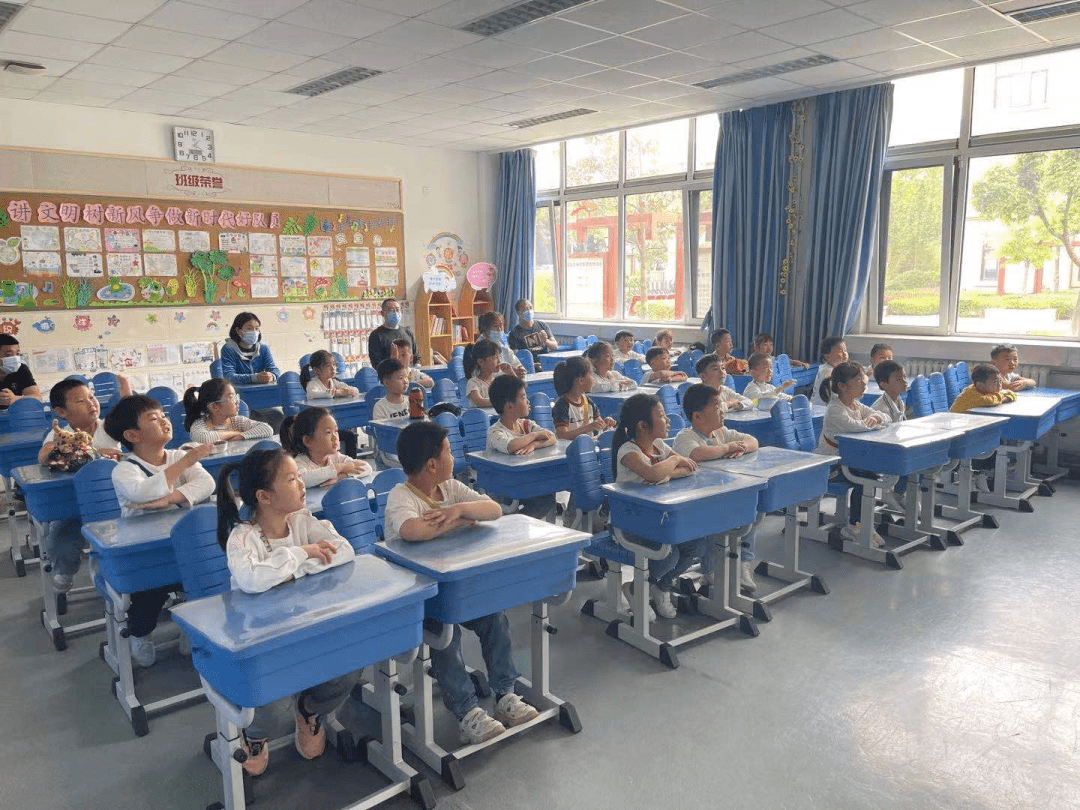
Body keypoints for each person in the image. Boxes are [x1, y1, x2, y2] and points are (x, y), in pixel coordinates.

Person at [385, 421, 540, 744]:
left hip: (456, 590)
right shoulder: (402, 497)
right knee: (446, 636)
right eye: (448, 452)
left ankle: (505, 693)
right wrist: (459, 522)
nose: (453, 458)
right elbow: (413, 531)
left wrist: (458, 512)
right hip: (420, 599)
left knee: (495, 619)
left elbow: (494, 510)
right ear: (432, 465)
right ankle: (467, 712)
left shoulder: (451, 489)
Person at [216, 447, 358, 776]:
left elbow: (345, 551)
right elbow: (252, 579)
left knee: (350, 664)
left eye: (299, 476)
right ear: (264, 496)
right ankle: (254, 734)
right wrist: (303, 554)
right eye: (292, 479)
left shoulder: (303, 521)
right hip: (263, 642)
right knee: (274, 714)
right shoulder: (242, 537)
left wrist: (297, 566)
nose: (302, 483)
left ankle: (309, 712)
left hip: (308, 629)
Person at [103, 394, 215, 667]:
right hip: (145, 551)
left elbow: (207, 484)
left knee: (202, 585)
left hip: (183, 542)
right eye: (153, 419)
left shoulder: (178, 456)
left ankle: (192, 629)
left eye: (163, 414)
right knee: (147, 598)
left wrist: (168, 499)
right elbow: (141, 493)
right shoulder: (124, 470)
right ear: (132, 435)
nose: (164, 420)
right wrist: (185, 464)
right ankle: (140, 635)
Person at [611, 393, 700, 619]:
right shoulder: (628, 452)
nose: (668, 419)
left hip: (659, 517)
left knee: (696, 543)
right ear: (643, 425)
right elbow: (652, 473)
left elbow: (689, 467)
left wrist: (666, 472)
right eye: (661, 415)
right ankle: (635, 588)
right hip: (630, 523)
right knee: (668, 555)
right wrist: (670, 463)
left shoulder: (658, 444)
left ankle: (661, 587)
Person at [37, 379, 124, 593]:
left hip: (117, 501)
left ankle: (125, 580)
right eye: (81, 401)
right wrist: (95, 451)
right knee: (63, 532)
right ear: (61, 411)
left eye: (92, 397)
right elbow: (45, 455)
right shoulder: (58, 435)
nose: (91, 403)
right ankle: (63, 571)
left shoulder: (110, 427)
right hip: (76, 504)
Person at [672, 383, 760, 592]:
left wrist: (741, 447)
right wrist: (726, 448)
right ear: (698, 416)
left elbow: (753, 440)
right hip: (693, 505)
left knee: (752, 510)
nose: (722, 409)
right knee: (717, 522)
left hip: (719, 497)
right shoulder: (686, 436)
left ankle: (742, 563)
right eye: (716, 406)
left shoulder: (720, 432)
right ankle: (711, 571)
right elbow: (696, 454)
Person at [813, 363, 889, 549]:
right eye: (859, 381)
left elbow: (884, 416)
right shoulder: (835, 410)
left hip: (847, 462)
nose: (864, 384)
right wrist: (872, 422)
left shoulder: (855, 405)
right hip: (829, 466)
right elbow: (858, 428)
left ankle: (862, 524)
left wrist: (877, 419)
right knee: (865, 479)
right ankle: (855, 526)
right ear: (842, 386)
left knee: (868, 476)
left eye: (863, 380)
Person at [487, 374, 557, 519]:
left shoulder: (526, 424)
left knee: (547, 498)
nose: (528, 401)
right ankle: (512, 523)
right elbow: (511, 446)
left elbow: (551, 436)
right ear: (510, 406)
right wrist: (534, 436)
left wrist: (535, 444)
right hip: (501, 486)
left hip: (523, 481)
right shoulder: (495, 431)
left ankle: (520, 523)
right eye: (523, 397)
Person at [280, 407, 370, 488]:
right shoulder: (298, 463)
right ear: (307, 441)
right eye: (328, 432)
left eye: (336, 431)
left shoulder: (336, 457)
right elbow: (303, 479)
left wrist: (341, 476)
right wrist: (340, 468)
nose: (335, 437)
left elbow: (367, 467)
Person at [220, 312, 283, 428]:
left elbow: (275, 370)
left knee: (279, 417)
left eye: (257, 328)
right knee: (250, 421)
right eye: (249, 328)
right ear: (239, 331)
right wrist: (255, 378)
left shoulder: (263, 348)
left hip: (262, 398)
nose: (254, 332)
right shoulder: (228, 349)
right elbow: (229, 376)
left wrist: (271, 376)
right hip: (238, 400)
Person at [183, 378, 273, 445]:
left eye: (235, 397)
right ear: (214, 406)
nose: (236, 401)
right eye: (231, 397)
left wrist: (241, 436)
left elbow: (267, 429)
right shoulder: (200, 424)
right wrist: (236, 433)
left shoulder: (237, 421)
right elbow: (204, 439)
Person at [553, 356, 613, 440]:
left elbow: (598, 424)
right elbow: (562, 435)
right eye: (591, 375)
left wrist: (605, 424)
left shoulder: (588, 402)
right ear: (580, 381)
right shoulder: (562, 405)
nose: (593, 379)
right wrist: (587, 427)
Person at [367, 298, 418, 369]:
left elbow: (416, 357)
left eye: (397, 309)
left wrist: (416, 370)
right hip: (389, 377)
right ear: (382, 313)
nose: (395, 313)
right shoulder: (376, 335)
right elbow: (376, 363)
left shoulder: (408, 332)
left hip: (410, 375)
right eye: (391, 310)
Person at [950, 363, 1018, 413]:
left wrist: (1003, 396)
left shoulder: (985, 390)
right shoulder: (971, 394)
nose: (1000, 385)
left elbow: (1012, 394)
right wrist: (1004, 397)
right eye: (995, 382)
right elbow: (990, 401)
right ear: (981, 385)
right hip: (955, 423)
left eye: (1000, 381)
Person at [477, 312, 526, 378]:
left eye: (501, 325)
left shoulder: (503, 346)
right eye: (495, 326)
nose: (500, 329)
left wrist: (521, 370)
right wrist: (510, 373)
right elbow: (486, 374)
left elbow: (517, 364)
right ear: (485, 329)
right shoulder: (479, 348)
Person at [0, 333, 41, 408]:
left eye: (17, 354)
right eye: (8, 355)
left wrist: (15, 399)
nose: (15, 358)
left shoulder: (21, 369)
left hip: (15, 415)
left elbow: (38, 398)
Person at [463, 338, 502, 408]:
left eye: (500, 357)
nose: (499, 361)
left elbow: (516, 394)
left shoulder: (497, 381)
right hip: (480, 418)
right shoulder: (473, 382)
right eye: (495, 357)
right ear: (481, 362)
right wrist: (502, 401)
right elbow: (480, 401)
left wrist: (511, 373)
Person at [811, 336, 849, 407]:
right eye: (840, 351)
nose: (845, 354)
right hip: (820, 409)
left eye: (845, 350)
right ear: (827, 357)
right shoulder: (826, 371)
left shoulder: (837, 369)